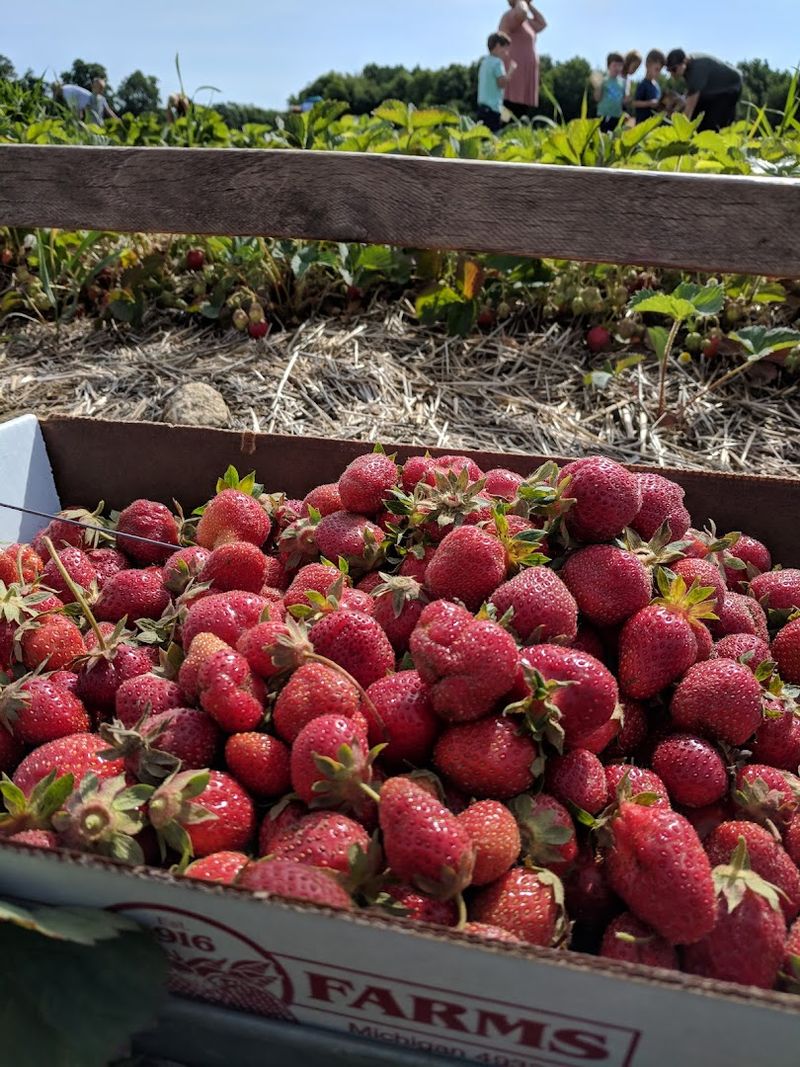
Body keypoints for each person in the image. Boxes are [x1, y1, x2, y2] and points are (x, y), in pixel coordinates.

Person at [665, 49, 742, 131]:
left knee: (711, 124)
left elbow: (689, 110)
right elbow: (690, 94)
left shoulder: (696, 70)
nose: (672, 74)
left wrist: (679, 132)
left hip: (730, 88)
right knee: (697, 118)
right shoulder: (687, 69)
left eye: (674, 69)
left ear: (684, 61)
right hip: (712, 89)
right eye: (669, 70)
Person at [498, 0, 547, 120]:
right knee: (509, 106)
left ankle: (517, 131)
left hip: (526, 73)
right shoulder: (511, 16)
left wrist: (529, 4)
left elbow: (542, 23)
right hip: (514, 70)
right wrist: (522, 2)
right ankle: (503, 132)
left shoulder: (528, 23)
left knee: (522, 109)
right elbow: (522, 12)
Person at [477, 32, 517, 132]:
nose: (506, 53)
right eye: (505, 49)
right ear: (498, 46)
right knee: (495, 138)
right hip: (493, 109)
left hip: (482, 108)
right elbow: (501, 84)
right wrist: (511, 71)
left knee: (484, 139)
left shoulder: (484, 62)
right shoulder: (497, 62)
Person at [594, 52, 626, 133]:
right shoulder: (603, 81)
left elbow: (623, 100)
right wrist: (597, 87)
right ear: (608, 66)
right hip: (603, 114)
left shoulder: (623, 82)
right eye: (614, 65)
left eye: (620, 65)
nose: (617, 68)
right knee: (602, 136)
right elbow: (597, 98)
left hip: (616, 115)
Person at [632, 49, 665, 123]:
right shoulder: (642, 84)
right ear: (647, 65)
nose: (658, 73)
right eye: (657, 69)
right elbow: (635, 103)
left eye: (660, 70)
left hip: (654, 125)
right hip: (642, 125)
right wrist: (650, 103)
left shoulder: (657, 86)